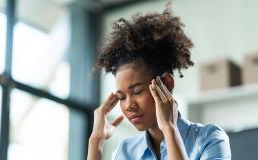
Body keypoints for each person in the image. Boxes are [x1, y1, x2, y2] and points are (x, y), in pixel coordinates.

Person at [87, 5, 231, 160]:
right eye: (122, 97)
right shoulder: (126, 150)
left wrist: (169, 129)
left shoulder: (209, 139)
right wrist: (96, 141)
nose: (128, 105)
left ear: (167, 84)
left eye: (136, 91)